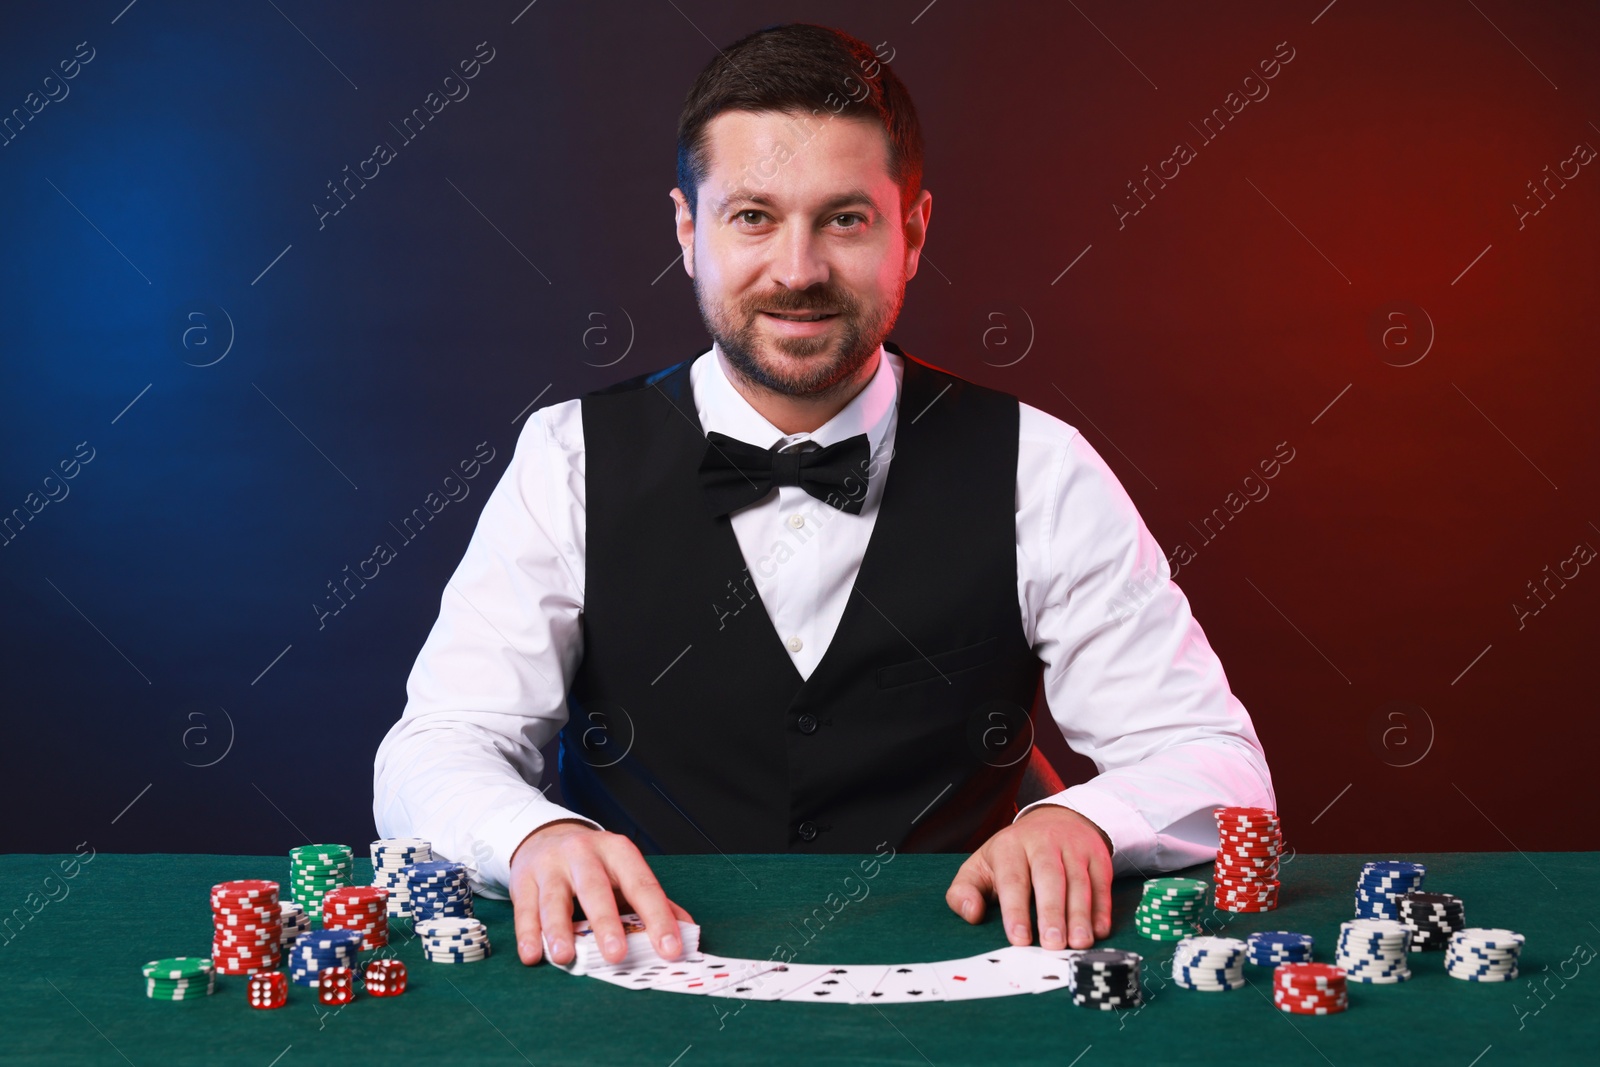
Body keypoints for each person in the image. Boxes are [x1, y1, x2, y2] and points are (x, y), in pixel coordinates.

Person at [373, 22, 1274, 974]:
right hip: (637, 981)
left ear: (912, 234)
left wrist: (1083, 818)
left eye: (844, 219)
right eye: (753, 216)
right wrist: (530, 838)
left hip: (957, 984)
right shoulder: (566, 458)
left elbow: (1217, 763)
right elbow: (436, 748)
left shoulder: (1039, 466)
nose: (797, 270)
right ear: (688, 233)